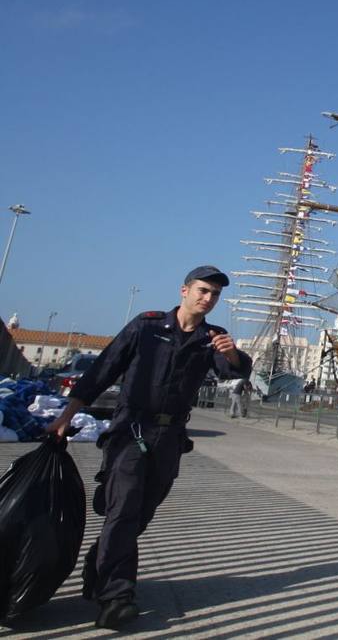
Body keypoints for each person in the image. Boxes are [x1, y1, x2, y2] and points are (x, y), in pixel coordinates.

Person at [45, 266, 251, 631]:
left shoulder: (214, 338)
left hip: (169, 439)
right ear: (184, 290)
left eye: (215, 294)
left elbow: (232, 372)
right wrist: (67, 416)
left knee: (140, 514)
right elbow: (103, 370)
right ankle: (117, 597)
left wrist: (233, 355)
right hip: (129, 430)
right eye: (203, 290)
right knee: (123, 510)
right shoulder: (147, 326)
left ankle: (99, 566)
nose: (209, 299)